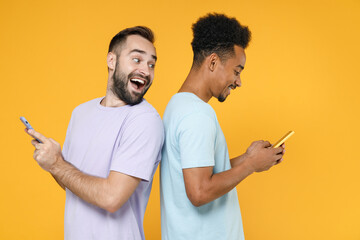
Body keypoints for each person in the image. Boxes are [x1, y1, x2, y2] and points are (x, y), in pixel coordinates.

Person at [26, 26, 164, 240]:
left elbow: (111, 198)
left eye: (151, 64)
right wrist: (51, 159)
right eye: (137, 60)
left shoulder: (145, 120)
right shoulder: (81, 113)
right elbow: (71, 183)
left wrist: (56, 164)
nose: (146, 70)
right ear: (112, 61)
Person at [160, 13, 285, 240]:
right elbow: (199, 192)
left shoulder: (177, 105)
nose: (239, 81)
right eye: (237, 71)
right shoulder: (197, 114)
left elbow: (198, 170)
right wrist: (251, 166)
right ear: (213, 62)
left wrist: (249, 158)